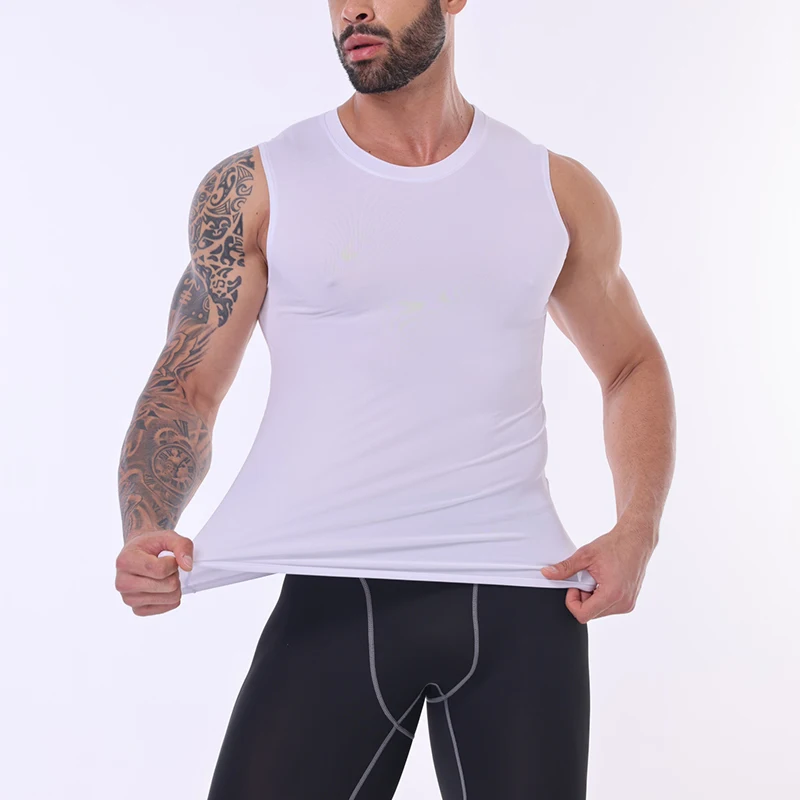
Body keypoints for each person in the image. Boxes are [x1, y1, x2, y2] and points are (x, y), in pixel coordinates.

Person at [114, 1, 675, 797]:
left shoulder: (553, 188)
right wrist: (146, 525)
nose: (355, 9)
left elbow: (631, 365)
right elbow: (187, 386)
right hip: (334, 592)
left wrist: (637, 530)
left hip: (521, 600)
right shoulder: (258, 185)